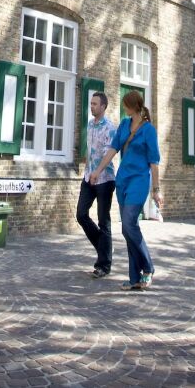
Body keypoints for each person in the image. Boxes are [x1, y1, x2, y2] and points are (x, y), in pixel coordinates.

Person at [90, 89, 162, 290]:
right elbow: (112, 150)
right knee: (128, 229)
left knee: (129, 225)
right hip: (122, 181)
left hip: (139, 181)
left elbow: (154, 162)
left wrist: (156, 189)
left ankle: (148, 267)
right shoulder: (124, 125)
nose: (123, 108)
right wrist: (97, 171)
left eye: (125, 104)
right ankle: (134, 278)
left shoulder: (149, 130)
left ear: (133, 106)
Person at [77, 90, 117, 278]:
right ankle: (104, 247)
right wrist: (88, 172)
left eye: (95, 104)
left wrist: (97, 172)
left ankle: (104, 264)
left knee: (103, 220)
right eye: (91, 103)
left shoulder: (110, 127)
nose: (91, 106)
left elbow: (110, 154)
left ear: (103, 106)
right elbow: (90, 152)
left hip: (104, 179)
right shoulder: (90, 125)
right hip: (88, 177)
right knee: (81, 214)